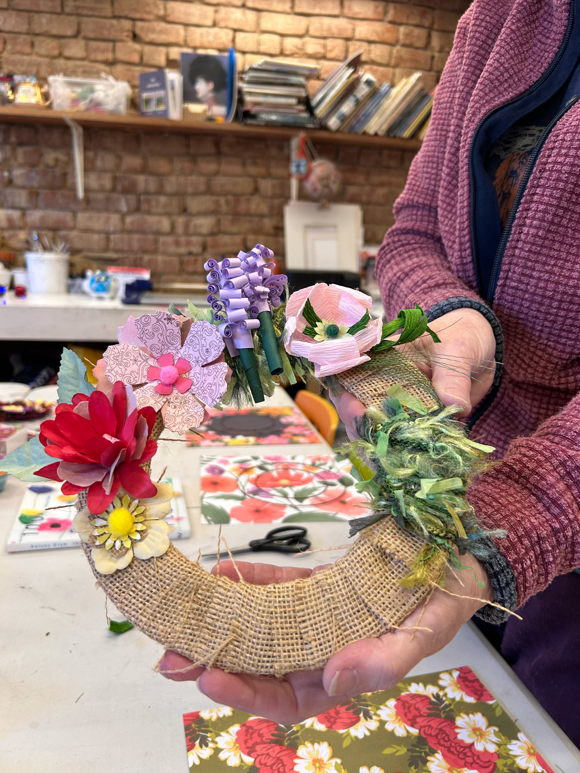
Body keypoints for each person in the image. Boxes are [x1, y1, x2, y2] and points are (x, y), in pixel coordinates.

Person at [161, 0, 580, 744]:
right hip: (463, 519)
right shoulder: (502, 16)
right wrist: (454, 319)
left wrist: (505, 527)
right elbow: (415, 228)